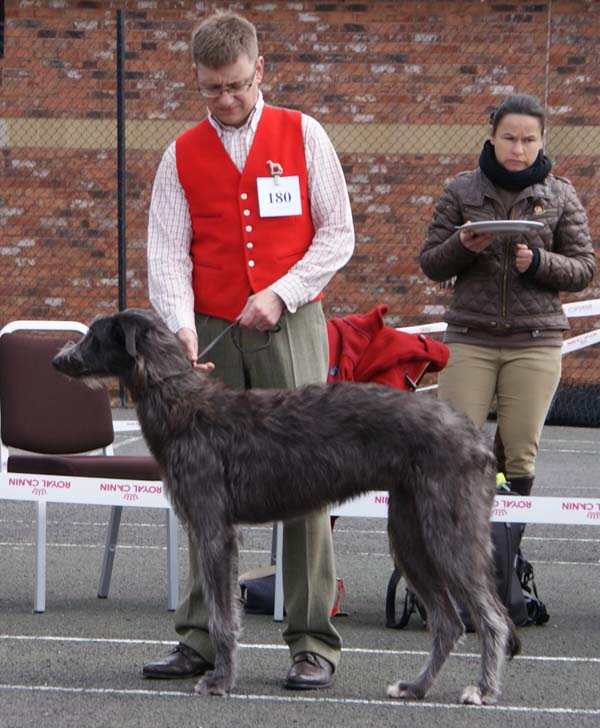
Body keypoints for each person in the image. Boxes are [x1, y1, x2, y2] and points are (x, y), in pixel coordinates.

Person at [142, 11, 354, 690]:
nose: (226, 101)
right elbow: (167, 253)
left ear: (260, 70)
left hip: (288, 324)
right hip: (207, 333)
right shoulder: (179, 153)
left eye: (235, 85)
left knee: (307, 478)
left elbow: (337, 236)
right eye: (211, 90)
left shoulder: (305, 134)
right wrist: (179, 325)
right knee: (203, 487)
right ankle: (201, 637)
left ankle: (312, 640)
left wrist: (283, 292)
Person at [420, 93, 595, 499]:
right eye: (510, 138)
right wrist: (463, 245)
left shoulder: (560, 195)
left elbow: (584, 268)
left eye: (529, 140)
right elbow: (431, 262)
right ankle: (457, 553)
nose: (519, 149)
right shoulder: (461, 189)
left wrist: (537, 263)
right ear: (492, 138)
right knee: (454, 449)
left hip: (535, 340)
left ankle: (507, 557)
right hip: (471, 335)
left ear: (542, 141)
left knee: (519, 455)